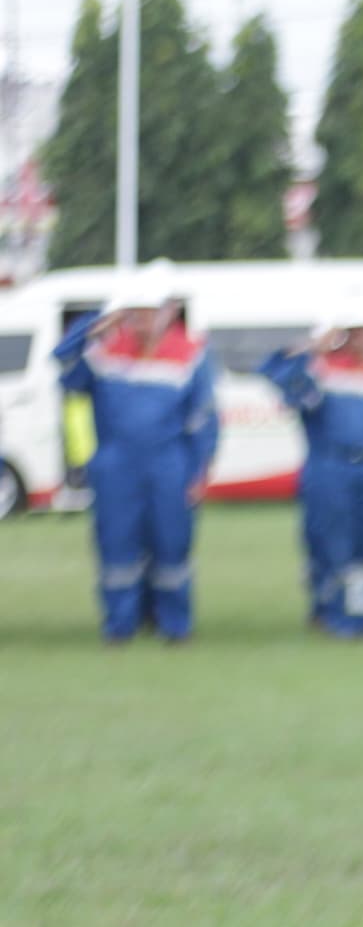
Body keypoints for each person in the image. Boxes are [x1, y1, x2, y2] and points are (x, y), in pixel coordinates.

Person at [57, 263, 220, 644]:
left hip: (169, 464)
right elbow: (64, 366)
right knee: (116, 546)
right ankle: (120, 626)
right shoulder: (105, 353)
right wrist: (95, 325)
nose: (143, 320)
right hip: (116, 464)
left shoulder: (191, 354)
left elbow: (203, 420)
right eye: (136, 311)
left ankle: (174, 625)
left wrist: (199, 471)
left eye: (151, 311)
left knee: (172, 545)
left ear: (170, 311)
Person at [263, 321, 363, 636]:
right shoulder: (324, 371)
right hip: (331, 464)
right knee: (333, 543)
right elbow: (277, 377)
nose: (361, 339)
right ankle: (337, 616)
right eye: (355, 332)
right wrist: (310, 349)